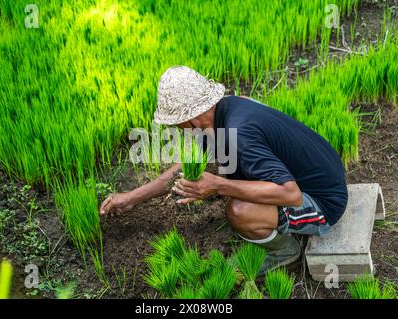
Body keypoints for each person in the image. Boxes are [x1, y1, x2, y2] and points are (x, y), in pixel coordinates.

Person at [100, 65, 348, 272]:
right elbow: (185, 166)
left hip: (323, 203)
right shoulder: (228, 107)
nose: (175, 129)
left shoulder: (238, 136)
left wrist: (218, 185)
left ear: (190, 119)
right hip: (325, 173)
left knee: (239, 209)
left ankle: (283, 250)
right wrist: (133, 198)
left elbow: (291, 195)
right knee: (230, 178)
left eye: (175, 124)